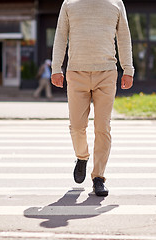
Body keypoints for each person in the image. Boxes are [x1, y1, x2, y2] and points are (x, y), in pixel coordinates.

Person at [51, 0, 134, 196]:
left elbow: (124, 37)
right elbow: (61, 36)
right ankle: (82, 157)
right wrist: (56, 67)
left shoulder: (116, 3)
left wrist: (128, 69)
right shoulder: (69, 4)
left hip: (106, 73)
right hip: (76, 73)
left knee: (102, 127)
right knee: (77, 127)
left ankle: (99, 177)